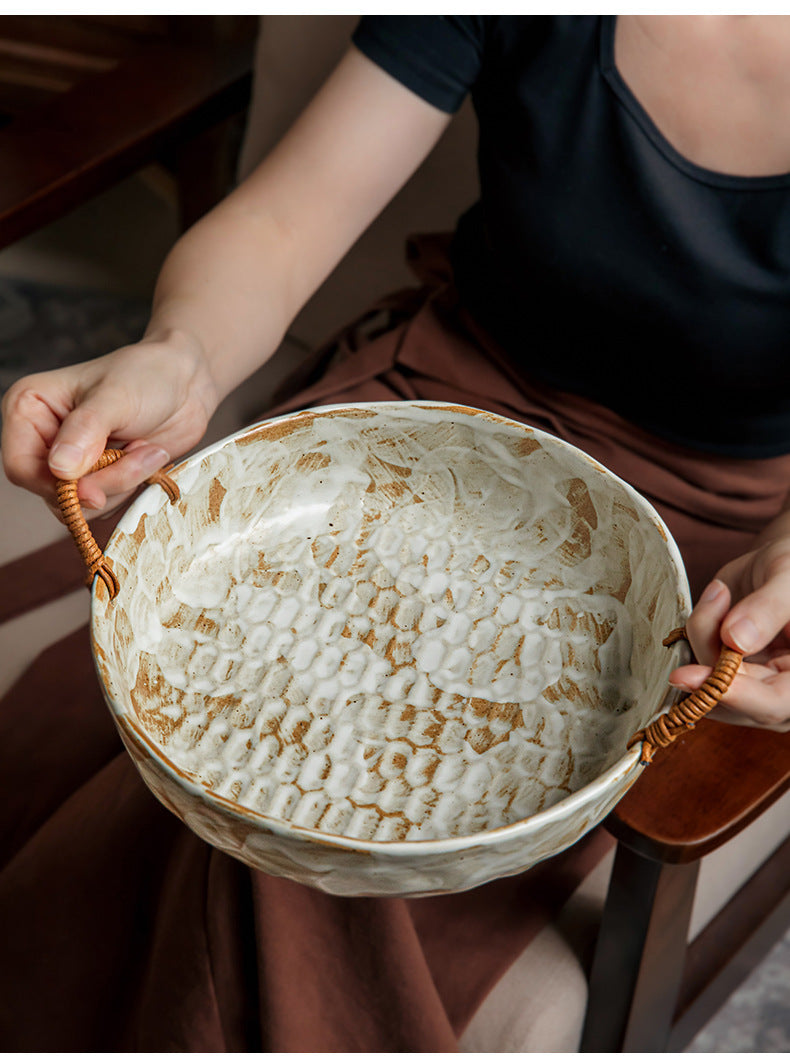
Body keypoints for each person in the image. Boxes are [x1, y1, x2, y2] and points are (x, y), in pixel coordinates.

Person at [1, 14, 789, 1050]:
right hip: (429, 429)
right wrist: (182, 353)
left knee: (278, 849)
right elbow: (286, 221)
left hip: (711, 528)